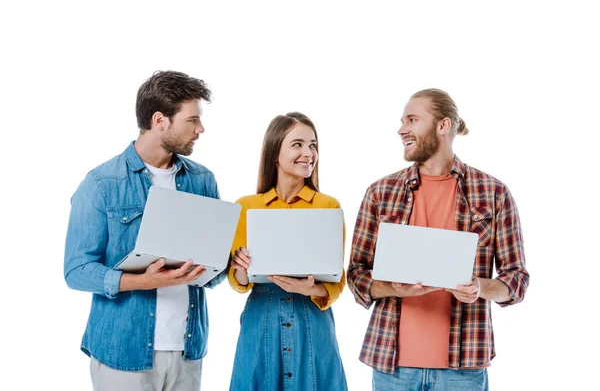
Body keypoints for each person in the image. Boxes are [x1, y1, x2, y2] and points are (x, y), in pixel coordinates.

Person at [347, 89, 530, 391]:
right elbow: (356, 274)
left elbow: (517, 279)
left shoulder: (493, 192)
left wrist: (480, 287)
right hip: (393, 368)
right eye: (402, 121)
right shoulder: (381, 192)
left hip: (463, 369)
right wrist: (393, 288)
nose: (401, 129)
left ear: (443, 126)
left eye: (412, 119)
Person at [64, 70, 225, 391]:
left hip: (187, 350)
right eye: (192, 120)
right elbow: (76, 271)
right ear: (159, 119)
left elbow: (215, 273)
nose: (201, 129)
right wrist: (143, 281)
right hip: (123, 351)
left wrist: (227, 264)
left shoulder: (202, 180)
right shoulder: (101, 183)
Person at [228, 112, 348, 391]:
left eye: (313, 145)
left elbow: (336, 280)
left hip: (312, 321)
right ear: (275, 152)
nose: (308, 153)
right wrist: (241, 267)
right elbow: (239, 283)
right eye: (298, 144)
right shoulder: (246, 206)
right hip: (262, 320)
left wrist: (309, 289)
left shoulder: (328, 206)